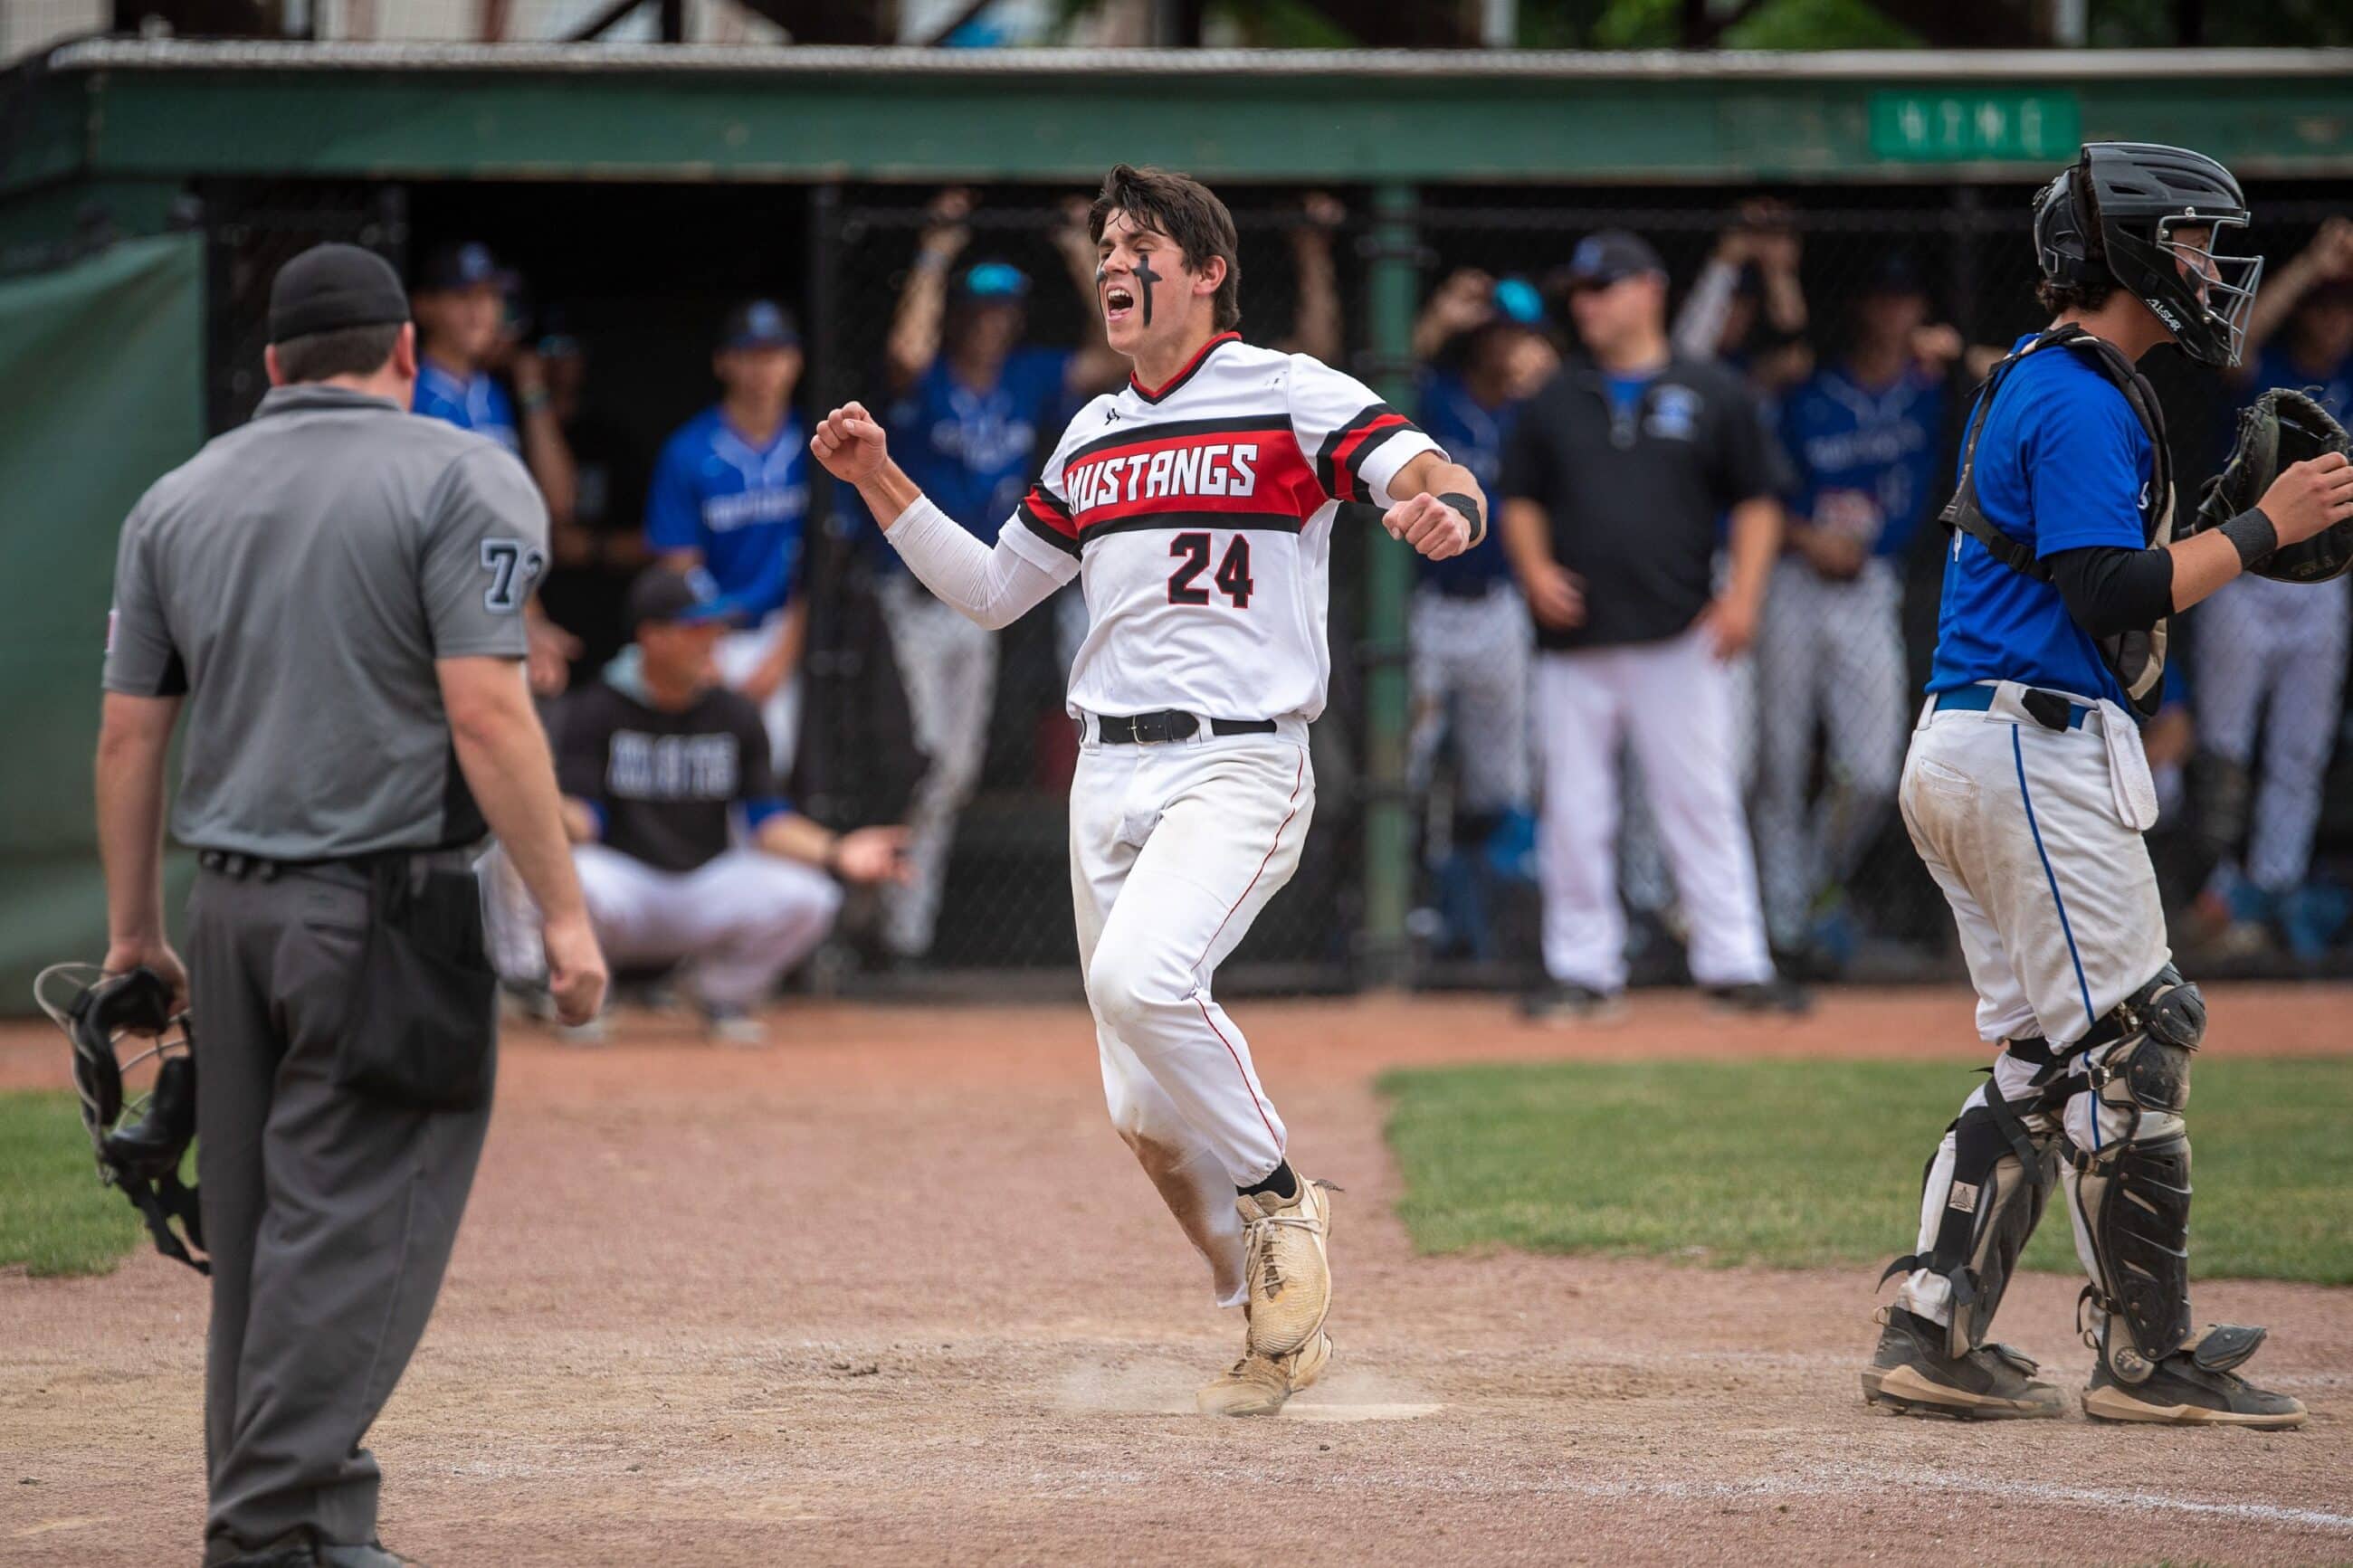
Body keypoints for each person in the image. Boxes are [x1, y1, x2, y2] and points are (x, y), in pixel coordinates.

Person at [808, 163, 1483, 1416]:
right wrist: (878, 480)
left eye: (1140, 246)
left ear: (1208, 271)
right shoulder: (1094, 430)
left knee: (1141, 978)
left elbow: (1426, 469)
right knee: (1141, 1113)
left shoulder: (1286, 390)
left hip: (1240, 758)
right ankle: (1267, 1316)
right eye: (1107, 246)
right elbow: (993, 591)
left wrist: (1444, 510)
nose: (1115, 264)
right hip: (1107, 769)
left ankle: (1283, 1203)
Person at [96, 242, 607, 1565]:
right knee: (359, 1229)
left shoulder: (177, 497)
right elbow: (487, 710)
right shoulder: (460, 471)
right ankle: (266, 1530)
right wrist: (563, 914)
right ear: (407, 354)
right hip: (382, 909)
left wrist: (135, 935)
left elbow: (129, 734)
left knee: (261, 1235)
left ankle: (316, 1523)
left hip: (227, 911)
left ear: (273, 365)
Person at [1861, 142, 2353, 1426]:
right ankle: (2150, 1356)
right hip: (2026, 750)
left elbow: (2107, 584)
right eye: (2188, 244)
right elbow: (2108, 590)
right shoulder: (2077, 393)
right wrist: (2264, 527)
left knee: (2043, 1055)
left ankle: (1929, 1329)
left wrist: (2225, 536)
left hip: (1983, 743)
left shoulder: (2055, 377)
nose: (2208, 270)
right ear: (2129, 251)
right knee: (2138, 1036)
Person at [1500, 229, 1802, 1021]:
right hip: (1577, 641)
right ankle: (1582, 968)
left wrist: (1744, 597)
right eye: (1581, 292)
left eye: (1602, 288)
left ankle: (1735, 962)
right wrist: (1534, 568)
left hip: (1681, 633)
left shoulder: (1713, 390)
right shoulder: (1555, 397)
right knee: (1574, 810)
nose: (1587, 305)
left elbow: (1758, 500)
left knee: (1701, 800)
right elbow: (1519, 496)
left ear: (1649, 291)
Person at [871, 188, 1125, 962]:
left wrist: (1083, 258)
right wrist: (937, 251)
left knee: (952, 771)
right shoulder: (931, 374)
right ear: (957, 314)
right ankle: (891, 926)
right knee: (916, 763)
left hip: (978, 595)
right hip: (910, 597)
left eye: (1004, 310)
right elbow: (905, 354)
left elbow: (1111, 356)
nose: (993, 321)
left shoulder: (1025, 377)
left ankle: (899, 926)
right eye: (981, 309)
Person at [557, 566, 907, 1047]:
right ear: (651, 637)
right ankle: (580, 994)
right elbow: (585, 821)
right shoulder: (598, 708)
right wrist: (536, 803)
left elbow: (767, 822)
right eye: (695, 628)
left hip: (704, 883)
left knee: (810, 896)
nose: (713, 640)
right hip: (624, 888)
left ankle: (718, 994)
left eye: (715, 627)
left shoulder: (733, 712)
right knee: (549, 871)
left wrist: (838, 851)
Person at [1756, 254, 1960, 968]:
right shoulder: (1811, 391)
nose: (1892, 314)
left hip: (1873, 581)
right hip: (1793, 578)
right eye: (1881, 299)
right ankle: (1784, 920)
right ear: (1860, 308)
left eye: (1904, 301)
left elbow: (2010, 370)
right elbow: (1755, 488)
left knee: (1873, 772)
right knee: (1779, 759)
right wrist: (1803, 536)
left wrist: (1956, 353)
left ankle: (1806, 889)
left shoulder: (1930, 392)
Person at [2191, 216, 2353, 958]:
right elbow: (2236, 344)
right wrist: (2314, 265)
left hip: (2322, 584)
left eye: (2344, 306)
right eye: (2325, 306)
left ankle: (2275, 894)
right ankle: (2217, 891)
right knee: (2225, 747)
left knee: (2300, 751)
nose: (2335, 320)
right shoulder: (2272, 370)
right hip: (2246, 575)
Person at [1408, 271, 1558, 958]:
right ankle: (1408, 906)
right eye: (1499, 332)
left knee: (1501, 777)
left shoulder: (1537, 412)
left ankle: (1483, 919)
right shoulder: (1438, 395)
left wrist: (1552, 390)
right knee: (1408, 766)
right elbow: (1371, 403)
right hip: (1426, 607)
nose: (1510, 346)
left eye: (1521, 334)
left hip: (1500, 606)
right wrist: (1435, 323)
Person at [645, 299, 812, 777]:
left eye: (774, 354)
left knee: (769, 777)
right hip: (708, 634)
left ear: (796, 361)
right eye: (749, 355)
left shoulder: (817, 441)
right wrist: (706, 653)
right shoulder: (688, 450)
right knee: (708, 778)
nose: (763, 370)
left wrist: (780, 658)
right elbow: (679, 566)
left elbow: (822, 561)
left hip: (783, 633)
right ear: (723, 363)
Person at [410, 241, 582, 698]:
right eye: (462, 297)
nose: (479, 312)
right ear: (424, 306)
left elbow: (557, 503)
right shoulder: (409, 390)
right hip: (432, 604)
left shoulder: (494, 395)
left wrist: (531, 387)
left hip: (492, 596)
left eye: (489, 298)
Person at [534, 309, 653, 677]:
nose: (559, 361)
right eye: (548, 349)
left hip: (600, 616)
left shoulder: (610, 441)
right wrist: (532, 398)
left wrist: (592, 547)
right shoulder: (507, 428)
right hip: (528, 606)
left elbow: (654, 542)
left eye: (569, 349)